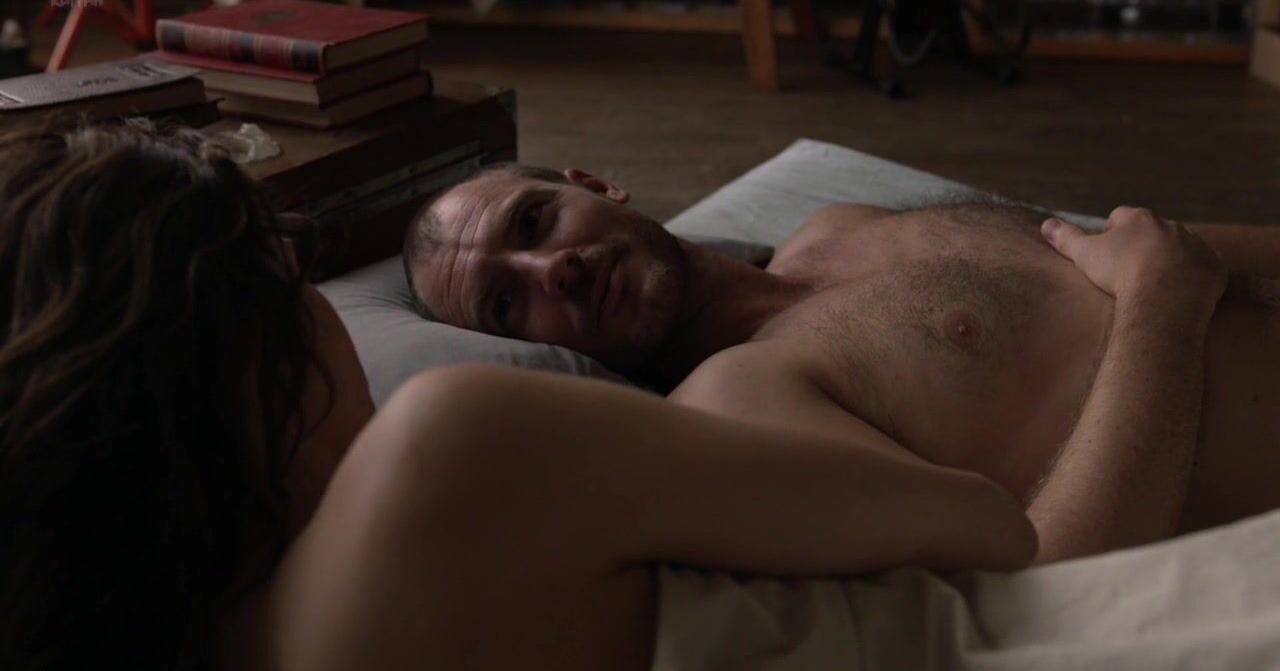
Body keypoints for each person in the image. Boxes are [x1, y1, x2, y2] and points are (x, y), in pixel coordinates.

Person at [0, 121, 1034, 670]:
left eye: (536, 223)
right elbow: (991, 528)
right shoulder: (445, 449)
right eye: (292, 281)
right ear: (246, 348)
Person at [404, 163, 1280, 564]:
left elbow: (1148, 250)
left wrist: (1167, 277)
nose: (550, 268)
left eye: (532, 223)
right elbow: (1047, 574)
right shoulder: (741, 398)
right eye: (506, 303)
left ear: (594, 186)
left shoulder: (840, 226)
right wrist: (1161, 307)